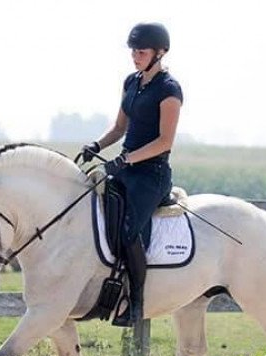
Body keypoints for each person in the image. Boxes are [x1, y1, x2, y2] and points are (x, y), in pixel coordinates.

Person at [82, 22, 183, 326]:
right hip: (127, 168)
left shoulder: (169, 89)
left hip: (152, 175)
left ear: (159, 52)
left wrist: (126, 159)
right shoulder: (131, 82)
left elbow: (165, 141)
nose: (135, 56)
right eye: (133, 51)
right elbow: (119, 128)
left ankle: (137, 303)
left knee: (128, 231)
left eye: (141, 51)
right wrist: (97, 145)